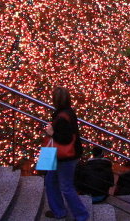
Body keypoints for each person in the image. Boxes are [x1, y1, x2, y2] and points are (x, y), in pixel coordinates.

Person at [44, 86, 88, 221]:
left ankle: (81, 215)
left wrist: (52, 133)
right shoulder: (67, 112)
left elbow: (66, 139)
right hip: (60, 155)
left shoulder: (62, 117)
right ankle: (59, 211)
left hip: (65, 157)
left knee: (66, 187)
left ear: (55, 100)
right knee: (50, 181)